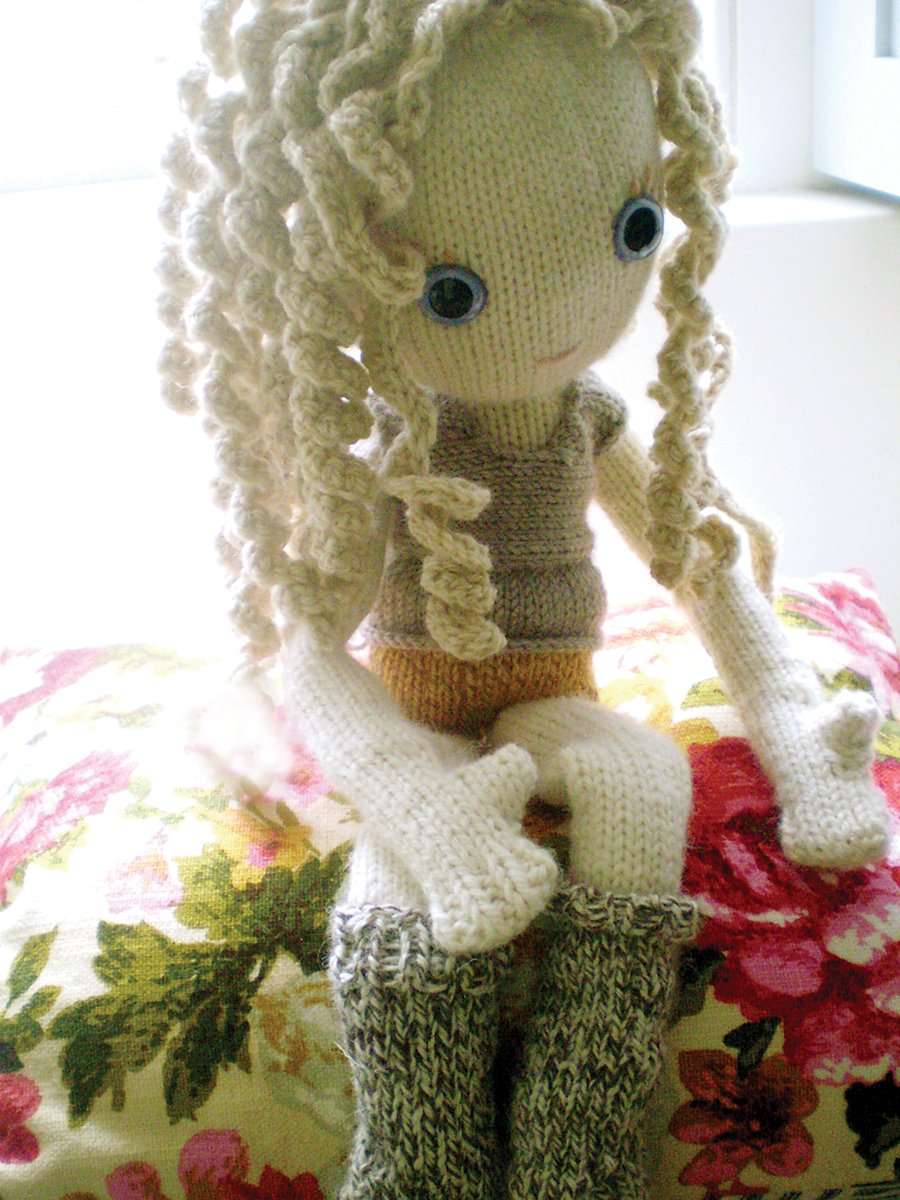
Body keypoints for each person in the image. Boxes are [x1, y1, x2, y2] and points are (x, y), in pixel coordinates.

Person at [158, 2, 889, 1195]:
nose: (561, 315)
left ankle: (579, 1139)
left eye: (632, 228)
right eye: (452, 291)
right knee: (397, 892)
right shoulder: (391, 456)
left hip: (557, 696)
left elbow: (700, 565)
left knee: (642, 778)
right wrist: (422, 803)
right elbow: (308, 651)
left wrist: (800, 736)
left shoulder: (584, 425)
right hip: (425, 723)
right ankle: (418, 1162)